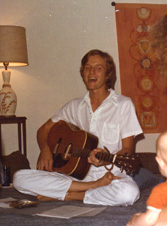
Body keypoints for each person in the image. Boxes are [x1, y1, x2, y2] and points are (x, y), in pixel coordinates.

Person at [13, 49, 143, 206]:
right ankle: (91, 188)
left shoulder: (123, 104)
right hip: (77, 178)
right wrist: (45, 149)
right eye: (87, 68)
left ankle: (69, 196)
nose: (92, 72)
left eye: (98, 68)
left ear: (107, 74)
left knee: (129, 193)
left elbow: (128, 149)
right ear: (82, 73)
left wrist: (105, 159)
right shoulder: (74, 106)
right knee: (19, 178)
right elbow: (43, 130)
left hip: (110, 176)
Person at [126, 131, 167, 226]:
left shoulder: (161, 191)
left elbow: (149, 219)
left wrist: (134, 221)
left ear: (160, 162)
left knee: (156, 219)